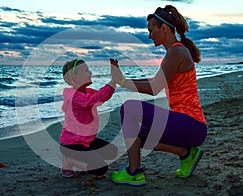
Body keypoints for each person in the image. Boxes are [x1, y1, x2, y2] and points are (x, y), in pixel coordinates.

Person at [110, 5, 207, 186]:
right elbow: (155, 80)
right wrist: (122, 79)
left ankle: (134, 172)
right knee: (138, 136)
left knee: (129, 108)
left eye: (151, 30)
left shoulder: (176, 52)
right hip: (190, 126)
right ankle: (186, 154)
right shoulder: (174, 52)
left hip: (190, 123)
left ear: (163, 28)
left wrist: (122, 82)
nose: (149, 35)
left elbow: (154, 87)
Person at [60, 58, 118, 178]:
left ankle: (85, 156)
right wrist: (113, 81)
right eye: (86, 71)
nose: (90, 73)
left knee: (112, 152)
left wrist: (114, 81)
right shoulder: (76, 97)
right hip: (71, 145)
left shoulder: (87, 92)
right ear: (76, 78)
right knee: (101, 169)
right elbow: (98, 98)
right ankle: (69, 160)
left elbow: (101, 96)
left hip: (86, 141)